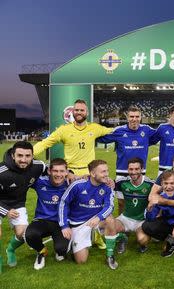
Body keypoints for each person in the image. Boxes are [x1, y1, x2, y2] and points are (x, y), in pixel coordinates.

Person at [58, 160, 118, 269]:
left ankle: (110, 255)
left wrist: (99, 217)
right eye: (103, 172)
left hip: (95, 221)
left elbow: (109, 206)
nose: (107, 174)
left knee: (110, 219)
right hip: (78, 224)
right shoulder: (78, 185)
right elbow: (63, 203)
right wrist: (64, 226)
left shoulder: (108, 186)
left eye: (107, 171)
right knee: (81, 261)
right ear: (93, 174)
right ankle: (90, 237)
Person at [33, 99, 113, 176]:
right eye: (76, 110)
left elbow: (114, 131)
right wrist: (30, 153)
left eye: (82, 110)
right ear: (72, 112)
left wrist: (125, 126)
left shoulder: (95, 128)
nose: (79, 112)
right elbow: (44, 143)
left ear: (87, 113)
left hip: (89, 173)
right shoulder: (64, 129)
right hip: (70, 173)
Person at [0, 141, 46, 272]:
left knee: (24, 234)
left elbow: (53, 169)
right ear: (13, 155)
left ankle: (10, 249)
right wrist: (6, 211)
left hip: (18, 204)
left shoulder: (38, 166)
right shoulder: (1, 171)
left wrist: (70, 173)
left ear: (32, 156)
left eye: (27, 156)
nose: (24, 159)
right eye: (20, 155)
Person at [24, 158, 71, 270]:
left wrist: (109, 181)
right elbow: (23, 178)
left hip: (62, 223)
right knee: (29, 235)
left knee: (62, 249)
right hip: (42, 220)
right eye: (55, 171)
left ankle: (59, 249)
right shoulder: (40, 182)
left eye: (61, 171)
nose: (58, 174)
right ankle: (41, 252)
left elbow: (91, 181)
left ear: (66, 172)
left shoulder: (71, 183)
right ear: (49, 171)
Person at [97, 106, 157, 177]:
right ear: (127, 118)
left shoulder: (147, 130)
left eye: (137, 116)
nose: (134, 119)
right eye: (131, 116)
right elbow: (100, 138)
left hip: (140, 172)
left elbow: (160, 135)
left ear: (140, 118)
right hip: (122, 171)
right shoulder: (119, 131)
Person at [113, 157, 154, 254]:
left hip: (141, 220)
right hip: (125, 218)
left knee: (142, 240)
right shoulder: (122, 182)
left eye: (136, 169)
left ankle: (141, 240)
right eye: (131, 169)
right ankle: (122, 238)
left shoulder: (150, 184)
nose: (133, 172)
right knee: (108, 228)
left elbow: (164, 189)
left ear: (142, 169)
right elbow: (106, 183)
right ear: (127, 169)